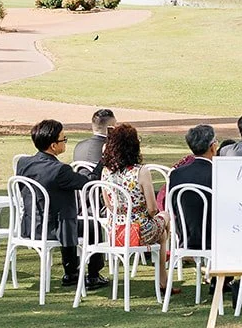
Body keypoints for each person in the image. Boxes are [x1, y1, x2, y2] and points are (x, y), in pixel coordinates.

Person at [17, 118, 106, 290]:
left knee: (68, 219)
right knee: (92, 226)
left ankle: (71, 271)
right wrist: (103, 160)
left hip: (30, 225)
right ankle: (93, 275)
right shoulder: (60, 171)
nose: (65, 142)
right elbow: (89, 182)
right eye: (63, 140)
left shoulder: (23, 163)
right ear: (53, 146)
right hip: (52, 229)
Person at [101, 123, 169, 288]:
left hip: (116, 231)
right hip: (138, 230)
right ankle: (162, 277)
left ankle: (163, 278)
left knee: (161, 231)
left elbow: (109, 205)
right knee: (165, 219)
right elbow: (153, 209)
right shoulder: (140, 171)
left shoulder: (106, 171)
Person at [169, 123, 216, 249]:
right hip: (215, 237)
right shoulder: (218, 173)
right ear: (213, 147)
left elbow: (173, 207)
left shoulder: (176, 174)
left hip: (186, 236)